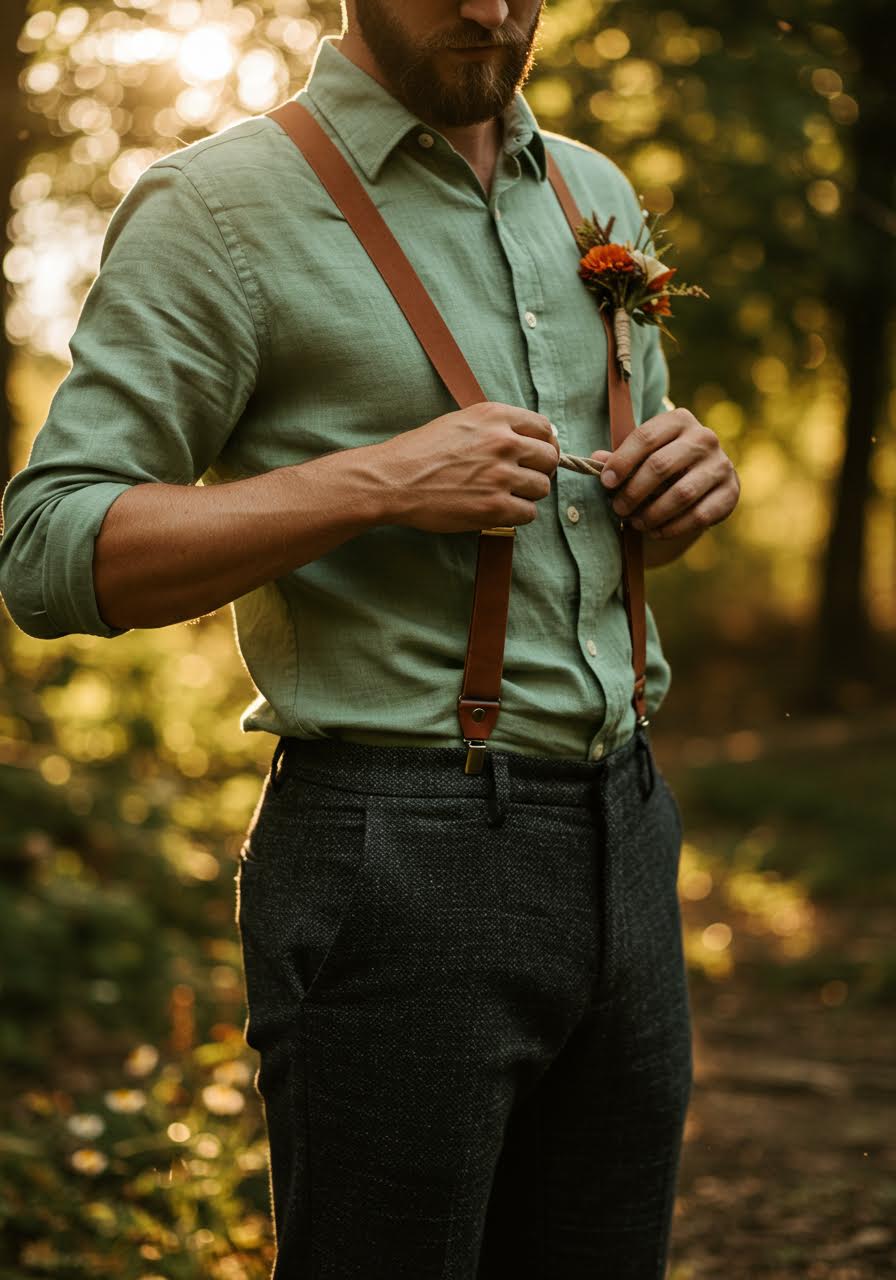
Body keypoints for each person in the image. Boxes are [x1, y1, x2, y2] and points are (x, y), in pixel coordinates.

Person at [0, 1, 741, 1275]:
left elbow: (596, 527)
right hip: (396, 851)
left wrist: (674, 496)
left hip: (628, 827)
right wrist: (377, 483)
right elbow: (51, 549)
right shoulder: (217, 206)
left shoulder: (589, 190)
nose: (489, 11)